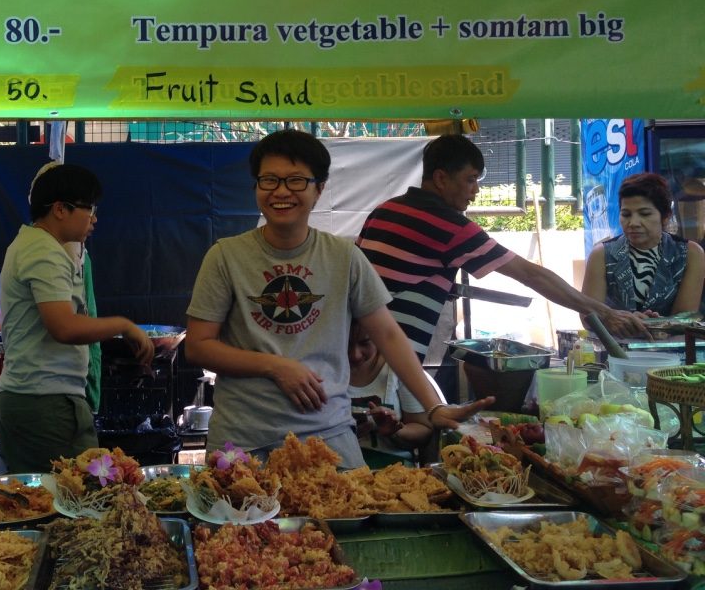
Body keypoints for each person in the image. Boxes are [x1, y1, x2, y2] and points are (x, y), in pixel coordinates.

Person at [185, 129, 492, 468]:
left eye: (296, 181)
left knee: (353, 514)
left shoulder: (344, 257)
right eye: (269, 180)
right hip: (243, 438)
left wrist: (432, 406)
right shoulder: (225, 256)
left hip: (328, 433)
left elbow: (388, 335)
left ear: (320, 189)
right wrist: (276, 366)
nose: (281, 191)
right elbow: (199, 346)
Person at [357, 134, 647, 364]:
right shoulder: (451, 226)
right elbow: (531, 275)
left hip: (357, 351)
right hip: (391, 361)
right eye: (470, 179)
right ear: (442, 178)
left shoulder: (383, 210)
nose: (476, 190)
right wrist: (605, 313)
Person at [0, 163, 154, 473]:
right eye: (89, 209)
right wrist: (123, 326)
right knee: (72, 502)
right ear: (59, 209)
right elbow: (64, 326)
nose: (94, 219)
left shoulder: (35, 244)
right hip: (44, 405)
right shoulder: (44, 251)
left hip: (39, 400)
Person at [582, 173, 704, 320]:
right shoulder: (601, 254)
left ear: (665, 216)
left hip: (671, 342)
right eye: (626, 214)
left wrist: (655, 324)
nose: (633, 223)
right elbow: (588, 317)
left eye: (644, 214)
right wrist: (624, 321)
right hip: (614, 342)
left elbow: (686, 317)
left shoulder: (690, 254)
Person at [347, 321, 434, 465]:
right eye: (347, 344)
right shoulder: (322, 370)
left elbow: (424, 429)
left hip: (397, 472)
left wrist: (395, 431)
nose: (355, 355)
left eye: (365, 342)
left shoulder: (398, 368)